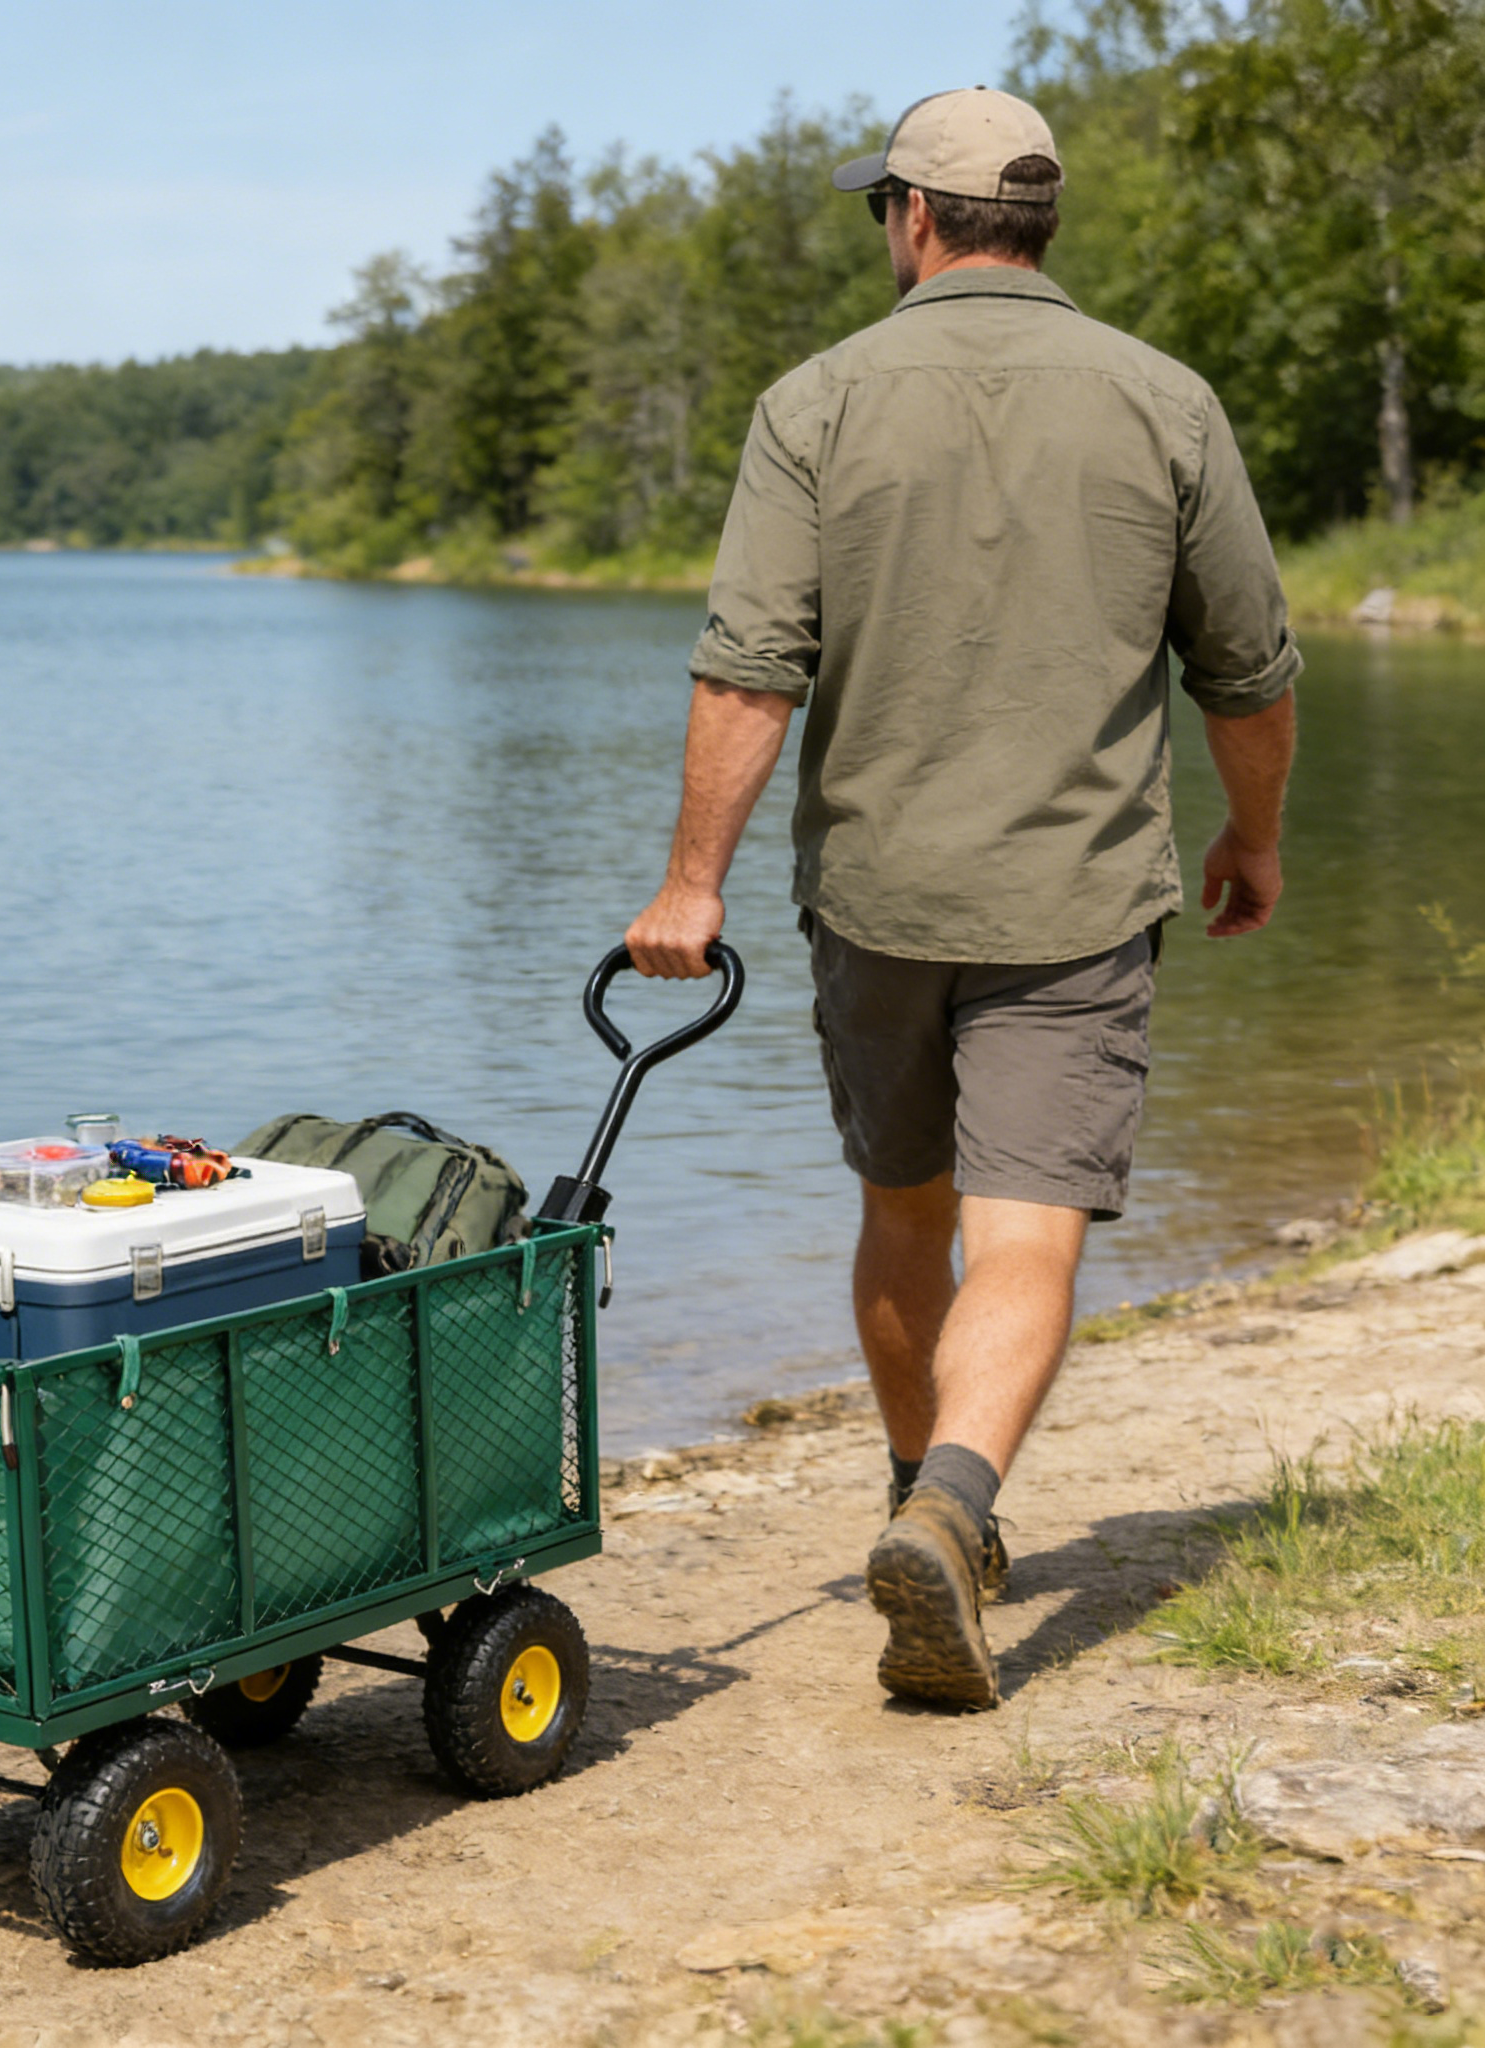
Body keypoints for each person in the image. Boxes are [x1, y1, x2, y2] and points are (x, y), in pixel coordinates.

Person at [624, 86, 1300, 1711]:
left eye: (885, 206)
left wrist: (690, 886)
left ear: (916, 217)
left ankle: (919, 1497)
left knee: (904, 1212)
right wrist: (1255, 838)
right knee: (1026, 1232)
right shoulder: (1166, 399)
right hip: (1075, 898)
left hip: (876, 896)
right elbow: (1250, 671)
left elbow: (749, 671)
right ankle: (955, 1513)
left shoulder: (817, 403)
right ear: (1037, 219)